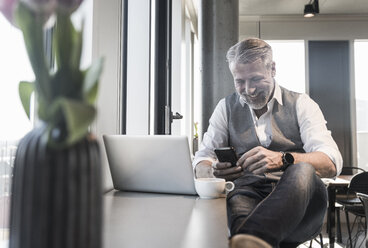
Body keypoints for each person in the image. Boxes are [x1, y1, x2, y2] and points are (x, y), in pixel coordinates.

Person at [193, 38, 343, 248]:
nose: (249, 90)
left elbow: (331, 163)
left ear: (272, 69)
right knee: (241, 211)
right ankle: (252, 240)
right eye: (240, 81)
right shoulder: (225, 108)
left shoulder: (302, 104)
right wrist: (212, 172)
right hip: (247, 193)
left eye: (255, 79)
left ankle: (254, 239)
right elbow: (203, 158)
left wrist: (285, 159)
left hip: (303, 204)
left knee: (302, 170)